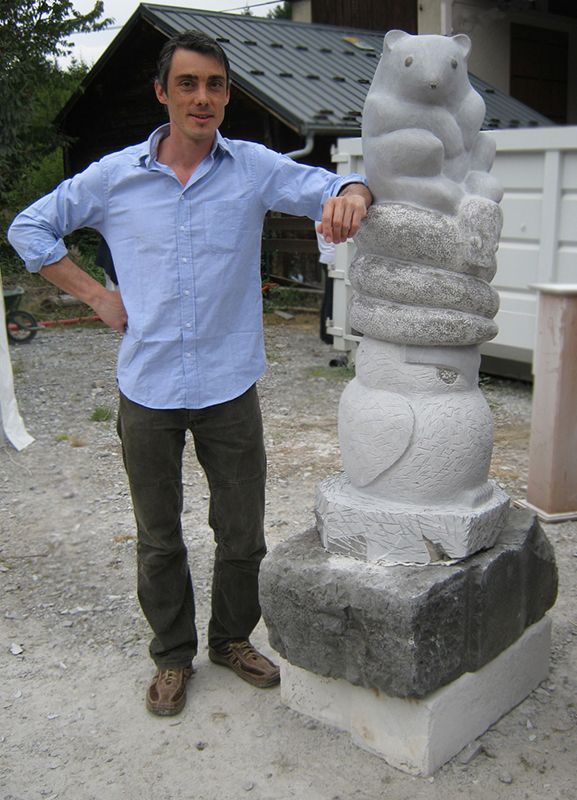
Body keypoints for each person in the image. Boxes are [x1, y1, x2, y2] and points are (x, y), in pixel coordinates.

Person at [7, 30, 372, 717]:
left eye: (214, 85)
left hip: (230, 387)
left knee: (243, 533)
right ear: (162, 93)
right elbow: (30, 228)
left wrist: (351, 188)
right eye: (187, 84)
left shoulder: (255, 168)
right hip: (146, 389)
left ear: (227, 95)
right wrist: (95, 296)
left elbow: (329, 185)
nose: (201, 98)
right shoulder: (113, 178)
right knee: (158, 535)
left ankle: (230, 639)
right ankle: (171, 655)